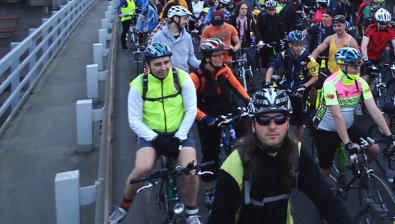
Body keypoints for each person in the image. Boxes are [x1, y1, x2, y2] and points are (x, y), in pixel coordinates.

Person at [208, 86, 352, 224]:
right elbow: (219, 219)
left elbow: (326, 200)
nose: (272, 126)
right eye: (264, 120)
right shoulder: (235, 165)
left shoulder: (296, 152)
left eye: (279, 119)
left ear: (287, 123)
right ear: (253, 125)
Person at [108, 43, 201, 224]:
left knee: (191, 171)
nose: (163, 67)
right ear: (147, 65)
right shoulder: (138, 85)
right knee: (142, 169)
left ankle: (192, 214)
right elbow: (134, 120)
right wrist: (155, 139)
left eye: (166, 62)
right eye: (157, 64)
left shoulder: (182, 78)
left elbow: (191, 111)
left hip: (179, 132)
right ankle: (123, 207)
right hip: (151, 135)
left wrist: (179, 137)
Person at [312, 48, 395, 179]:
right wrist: (348, 144)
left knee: (374, 149)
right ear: (342, 66)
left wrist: (389, 135)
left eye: (359, 63)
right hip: (326, 129)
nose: (357, 68)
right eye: (353, 65)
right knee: (325, 170)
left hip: (347, 126)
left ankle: (358, 173)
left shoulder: (360, 82)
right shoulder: (330, 84)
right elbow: (337, 116)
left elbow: (374, 110)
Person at [190, 38, 251, 208]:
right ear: (207, 58)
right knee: (210, 152)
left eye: (222, 55)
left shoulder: (224, 70)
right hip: (208, 116)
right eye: (216, 56)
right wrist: (203, 118)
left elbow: (237, 86)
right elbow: (189, 104)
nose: (221, 58)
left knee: (247, 131)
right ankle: (210, 189)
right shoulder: (195, 76)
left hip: (226, 108)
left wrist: (249, 101)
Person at [265, 30, 319, 139]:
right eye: (296, 45)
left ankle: (297, 145)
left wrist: (304, 86)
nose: (299, 48)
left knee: (300, 123)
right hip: (284, 88)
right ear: (290, 44)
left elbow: (315, 77)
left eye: (301, 45)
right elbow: (272, 67)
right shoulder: (284, 54)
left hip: (299, 91)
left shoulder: (309, 59)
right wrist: (267, 82)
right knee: (280, 117)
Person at [151, 6, 200, 71]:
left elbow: (191, 57)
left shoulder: (187, 37)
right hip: (165, 75)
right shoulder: (158, 37)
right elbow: (153, 59)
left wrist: (202, 65)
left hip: (183, 75)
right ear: (176, 18)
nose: (186, 22)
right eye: (185, 18)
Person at [256, 0, 285, 79]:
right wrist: (260, 41)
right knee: (264, 62)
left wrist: (284, 38)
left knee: (279, 60)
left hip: (276, 41)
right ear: (266, 9)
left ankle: (279, 78)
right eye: (269, 10)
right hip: (265, 42)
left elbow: (281, 28)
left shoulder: (278, 16)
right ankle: (265, 80)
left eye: (273, 9)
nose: (272, 11)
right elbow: (258, 30)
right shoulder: (262, 17)